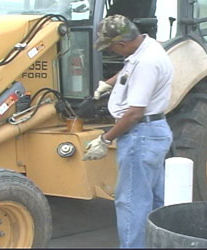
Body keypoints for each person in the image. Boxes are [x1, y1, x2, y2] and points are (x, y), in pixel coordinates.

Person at [83, 14, 173, 248]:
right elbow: (127, 72)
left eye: (111, 47)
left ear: (121, 43)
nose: (111, 51)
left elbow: (134, 114)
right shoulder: (146, 46)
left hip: (140, 136)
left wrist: (105, 139)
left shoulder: (146, 63)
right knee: (153, 200)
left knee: (132, 203)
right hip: (153, 132)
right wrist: (108, 84)